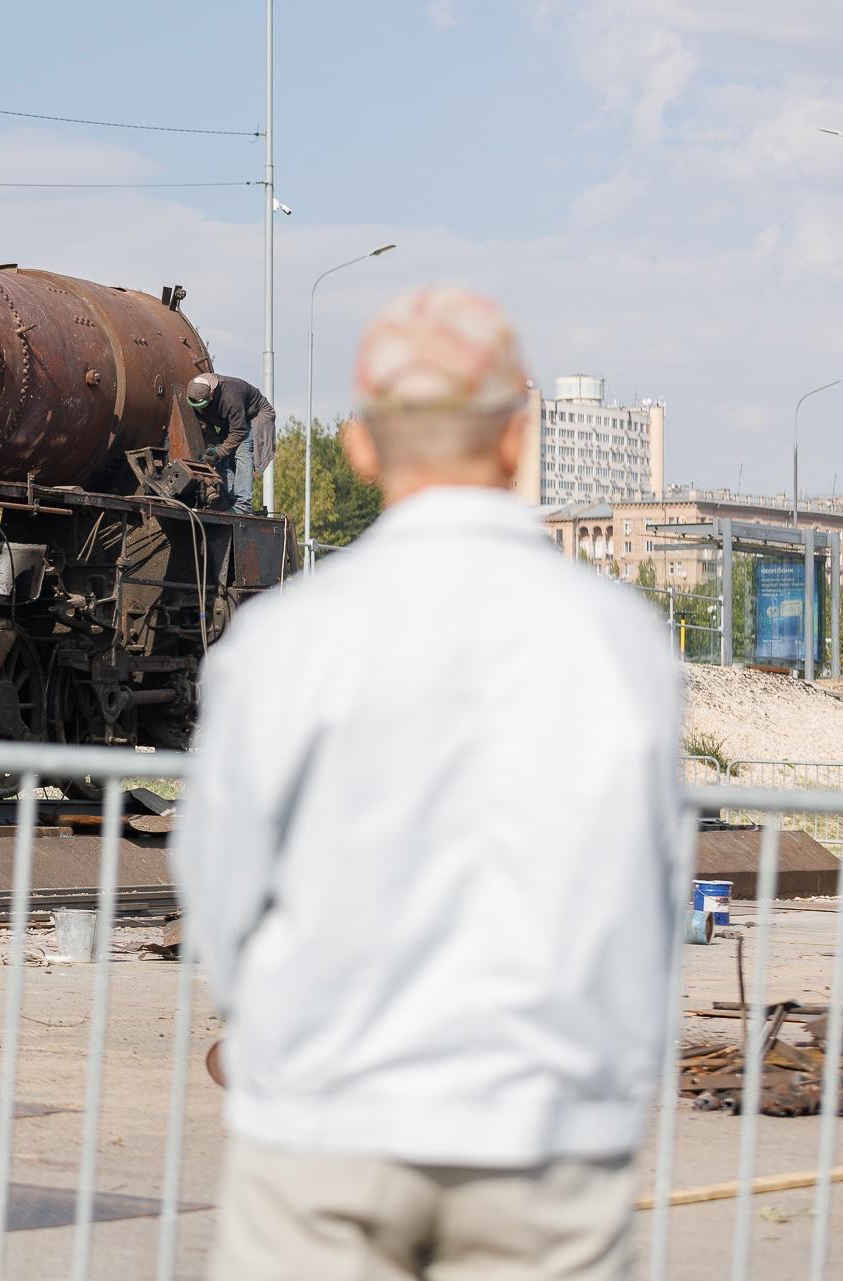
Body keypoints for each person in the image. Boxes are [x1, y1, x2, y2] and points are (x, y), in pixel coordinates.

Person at [175, 286, 682, 1281]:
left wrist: (271, 1039)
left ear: (363, 449)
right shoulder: (620, 642)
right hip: (540, 1131)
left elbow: (223, 877)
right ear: (516, 438)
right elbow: (644, 892)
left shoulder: (283, 640)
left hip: (324, 1120)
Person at [183, 372, 276, 514]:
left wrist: (220, 451)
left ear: (212, 393)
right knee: (221, 457)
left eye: (205, 405)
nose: (201, 410)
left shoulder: (232, 395)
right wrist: (214, 449)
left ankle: (242, 504)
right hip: (233, 421)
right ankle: (231, 499)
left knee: (242, 451)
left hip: (255, 415)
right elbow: (207, 427)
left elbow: (239, 431)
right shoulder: (194, 395)